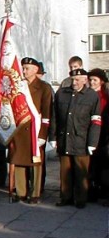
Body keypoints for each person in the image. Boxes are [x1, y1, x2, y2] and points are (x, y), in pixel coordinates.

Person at [52, 69, 100, 209]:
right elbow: (55, 116)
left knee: (81, 171)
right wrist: (52, 136)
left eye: (78, 79)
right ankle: (65, 197)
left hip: (82, 140)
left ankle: (80, 199)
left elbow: (96, 120)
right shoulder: (62, 93)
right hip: (64, 138)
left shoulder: (91, 96)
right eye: (73, 79)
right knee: (65, 171)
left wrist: (92, 142)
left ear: (85, 80)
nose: (74, 82)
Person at [9, 57, 53, 204]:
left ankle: (35, 193)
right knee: (20, 160)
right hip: (21, 129)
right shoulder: (18, 86)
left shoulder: (43, 87)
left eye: (27, 68)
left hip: (36, 129)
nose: (24, 71)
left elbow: (47, 113)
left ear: (35, 70)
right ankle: (21, 191)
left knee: (36, 163)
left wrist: (43, 134)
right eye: (23, 68)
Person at [87, 68, 109, 202]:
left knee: (104, 165)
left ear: (101, 82)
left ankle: (105, 191)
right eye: (90, 80)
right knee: (91, 165)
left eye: (95, 80)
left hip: (103, 135)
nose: (92, 82)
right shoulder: (87, 95)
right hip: (89, 135)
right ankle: (92, 190)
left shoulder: (105, 97)